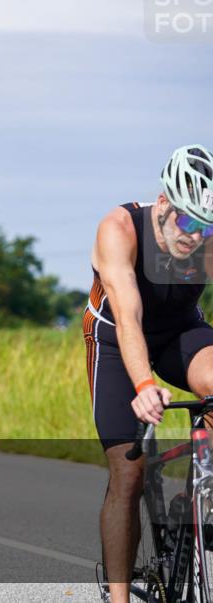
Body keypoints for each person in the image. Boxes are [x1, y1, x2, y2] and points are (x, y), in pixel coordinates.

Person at [85, 144, 213, 602]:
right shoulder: (119, 229)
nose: (195, 237)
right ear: (163, 204)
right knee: (129, 471)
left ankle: (199, 494)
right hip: (117, 341)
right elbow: (128, 319)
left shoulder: (206, 242)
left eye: (207, 227)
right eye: (188, 221)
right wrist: (144, 386)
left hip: (180, 331)